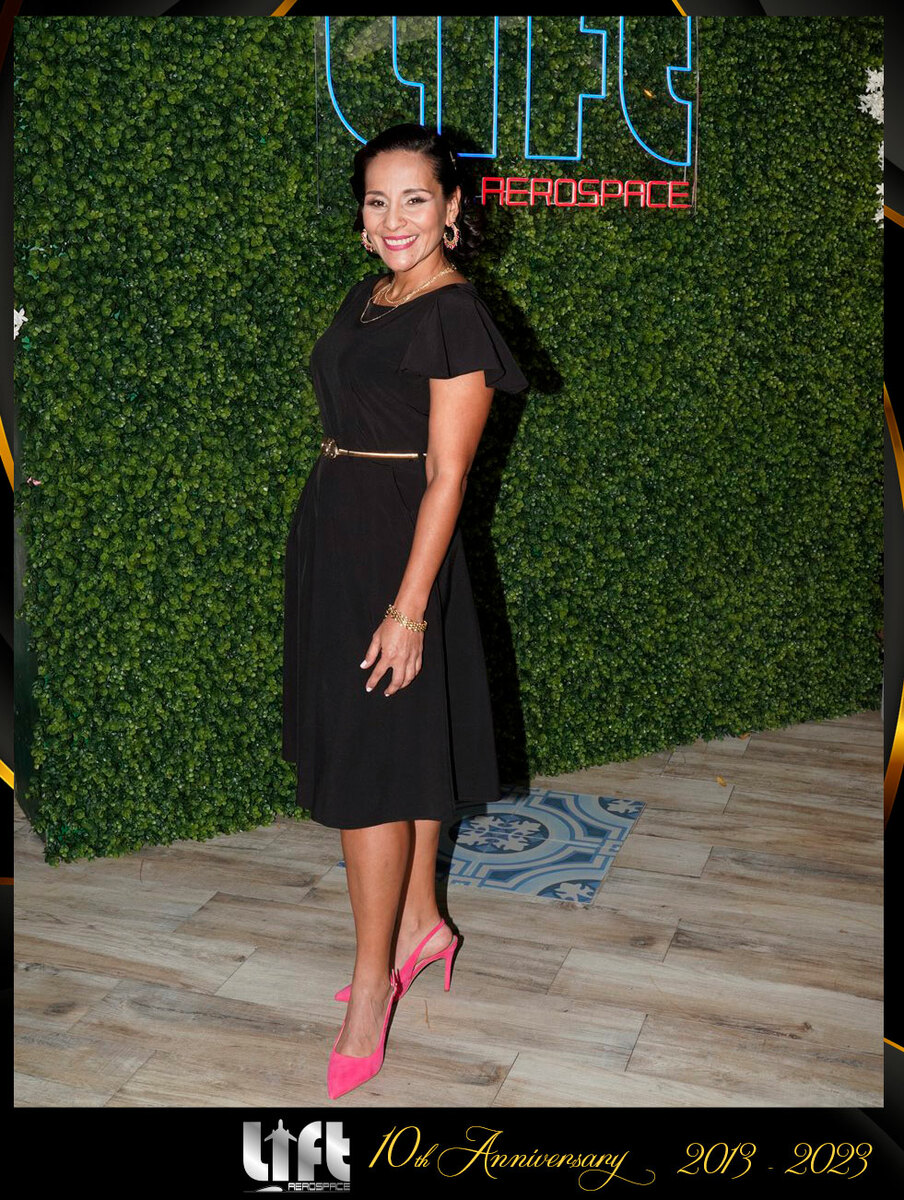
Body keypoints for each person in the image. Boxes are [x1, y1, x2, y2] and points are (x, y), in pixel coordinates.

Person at [281, 123, 529, 1100]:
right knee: (403, 748)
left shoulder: (454, 313)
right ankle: (424, 922)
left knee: (369, 777)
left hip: (400, 554)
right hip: (337, 537)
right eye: (377, 200)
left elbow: (449, 475)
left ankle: (370, 989)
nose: (394, 220)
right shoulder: (369, 296)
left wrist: (410, 609)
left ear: (454, 209)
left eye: (415, 199)